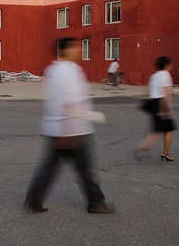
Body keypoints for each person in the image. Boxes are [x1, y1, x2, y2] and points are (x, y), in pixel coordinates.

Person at [25, 38, 114, 215]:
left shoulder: (54, 69)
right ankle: (96, 202)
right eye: (76, 47)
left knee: (51, 167)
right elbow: (69, 103)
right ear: (66, 50)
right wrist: (68, 132)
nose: (80, 51)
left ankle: (34, 200)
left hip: (59, 129)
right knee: (85, 169)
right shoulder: (68, 72)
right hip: (72, 130)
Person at [135, 56, 176, 161]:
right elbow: (167, 92)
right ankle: (163, 153)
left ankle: (144, 148)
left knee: (159, 130)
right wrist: (168, 109)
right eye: (170, 64)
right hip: (162, 103)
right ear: (166, 65)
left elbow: (148, 91)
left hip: (153, 102)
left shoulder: (154, 76)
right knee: (168, 130)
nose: (171, 66)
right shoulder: (166, 75)